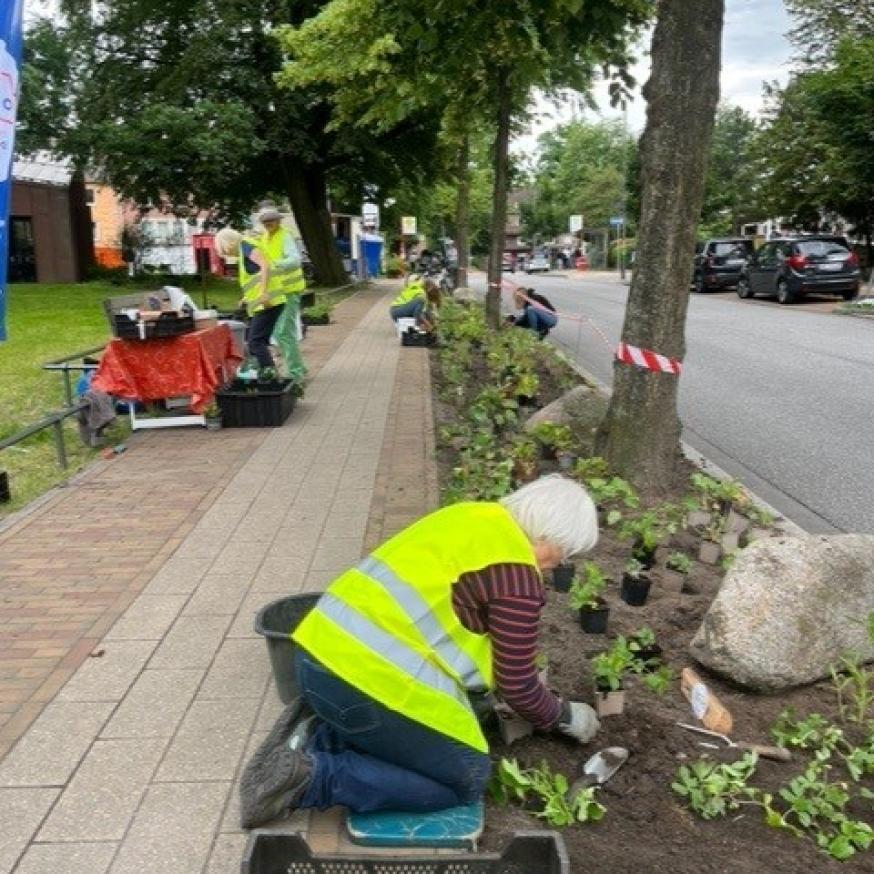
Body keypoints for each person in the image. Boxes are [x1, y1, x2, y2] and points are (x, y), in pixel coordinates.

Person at [241, 475, 601, 826]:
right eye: (565, 550)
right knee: (467, 777)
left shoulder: (470, 516)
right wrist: (562, 715)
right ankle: (313, 778)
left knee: (421, 740)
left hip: (313, 658)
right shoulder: (516, 576)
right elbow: (518, 684)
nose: (559, 562)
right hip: (360, 685)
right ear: (548, 534)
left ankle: (319, 737)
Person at [214, 226, 282, 369]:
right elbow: (254, 276)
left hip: (267, 301)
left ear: (227, 243)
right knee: (259, 341)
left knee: (255, 342)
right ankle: (267, 371)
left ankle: (270, 374)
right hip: (267, 301)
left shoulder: (246, 247)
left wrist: (263, 293)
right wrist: (246, 297)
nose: (226, 254)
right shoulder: (244, 249)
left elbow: (265, 266)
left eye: (223, 250)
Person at [257, 207, 307, 382]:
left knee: (284, 332)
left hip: (289, 290)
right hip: (277, 292)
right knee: (280, 333)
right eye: (265, 221)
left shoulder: (285, 236)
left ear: (278, 220)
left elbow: (295, 260)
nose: (268, 223)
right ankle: (298, 367)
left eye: (271, 220)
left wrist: (273, 265)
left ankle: (295, 373)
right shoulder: (265, 237)